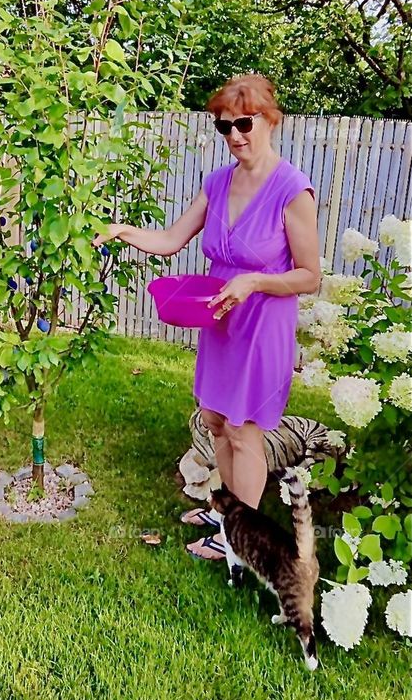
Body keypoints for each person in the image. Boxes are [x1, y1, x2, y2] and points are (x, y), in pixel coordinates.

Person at [93, 73, 321, 560]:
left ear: (269, 120)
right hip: (222, 320)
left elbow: (310, 276)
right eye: (225, 128)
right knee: (216, 421)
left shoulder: (291, 190)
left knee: (243, 430)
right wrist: (122, 230)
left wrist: (254, 281)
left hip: (262, 324)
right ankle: (226, 512)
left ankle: (239, 535)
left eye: (244, 124)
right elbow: (172, 239)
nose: (235, 137)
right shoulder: (217, 183)